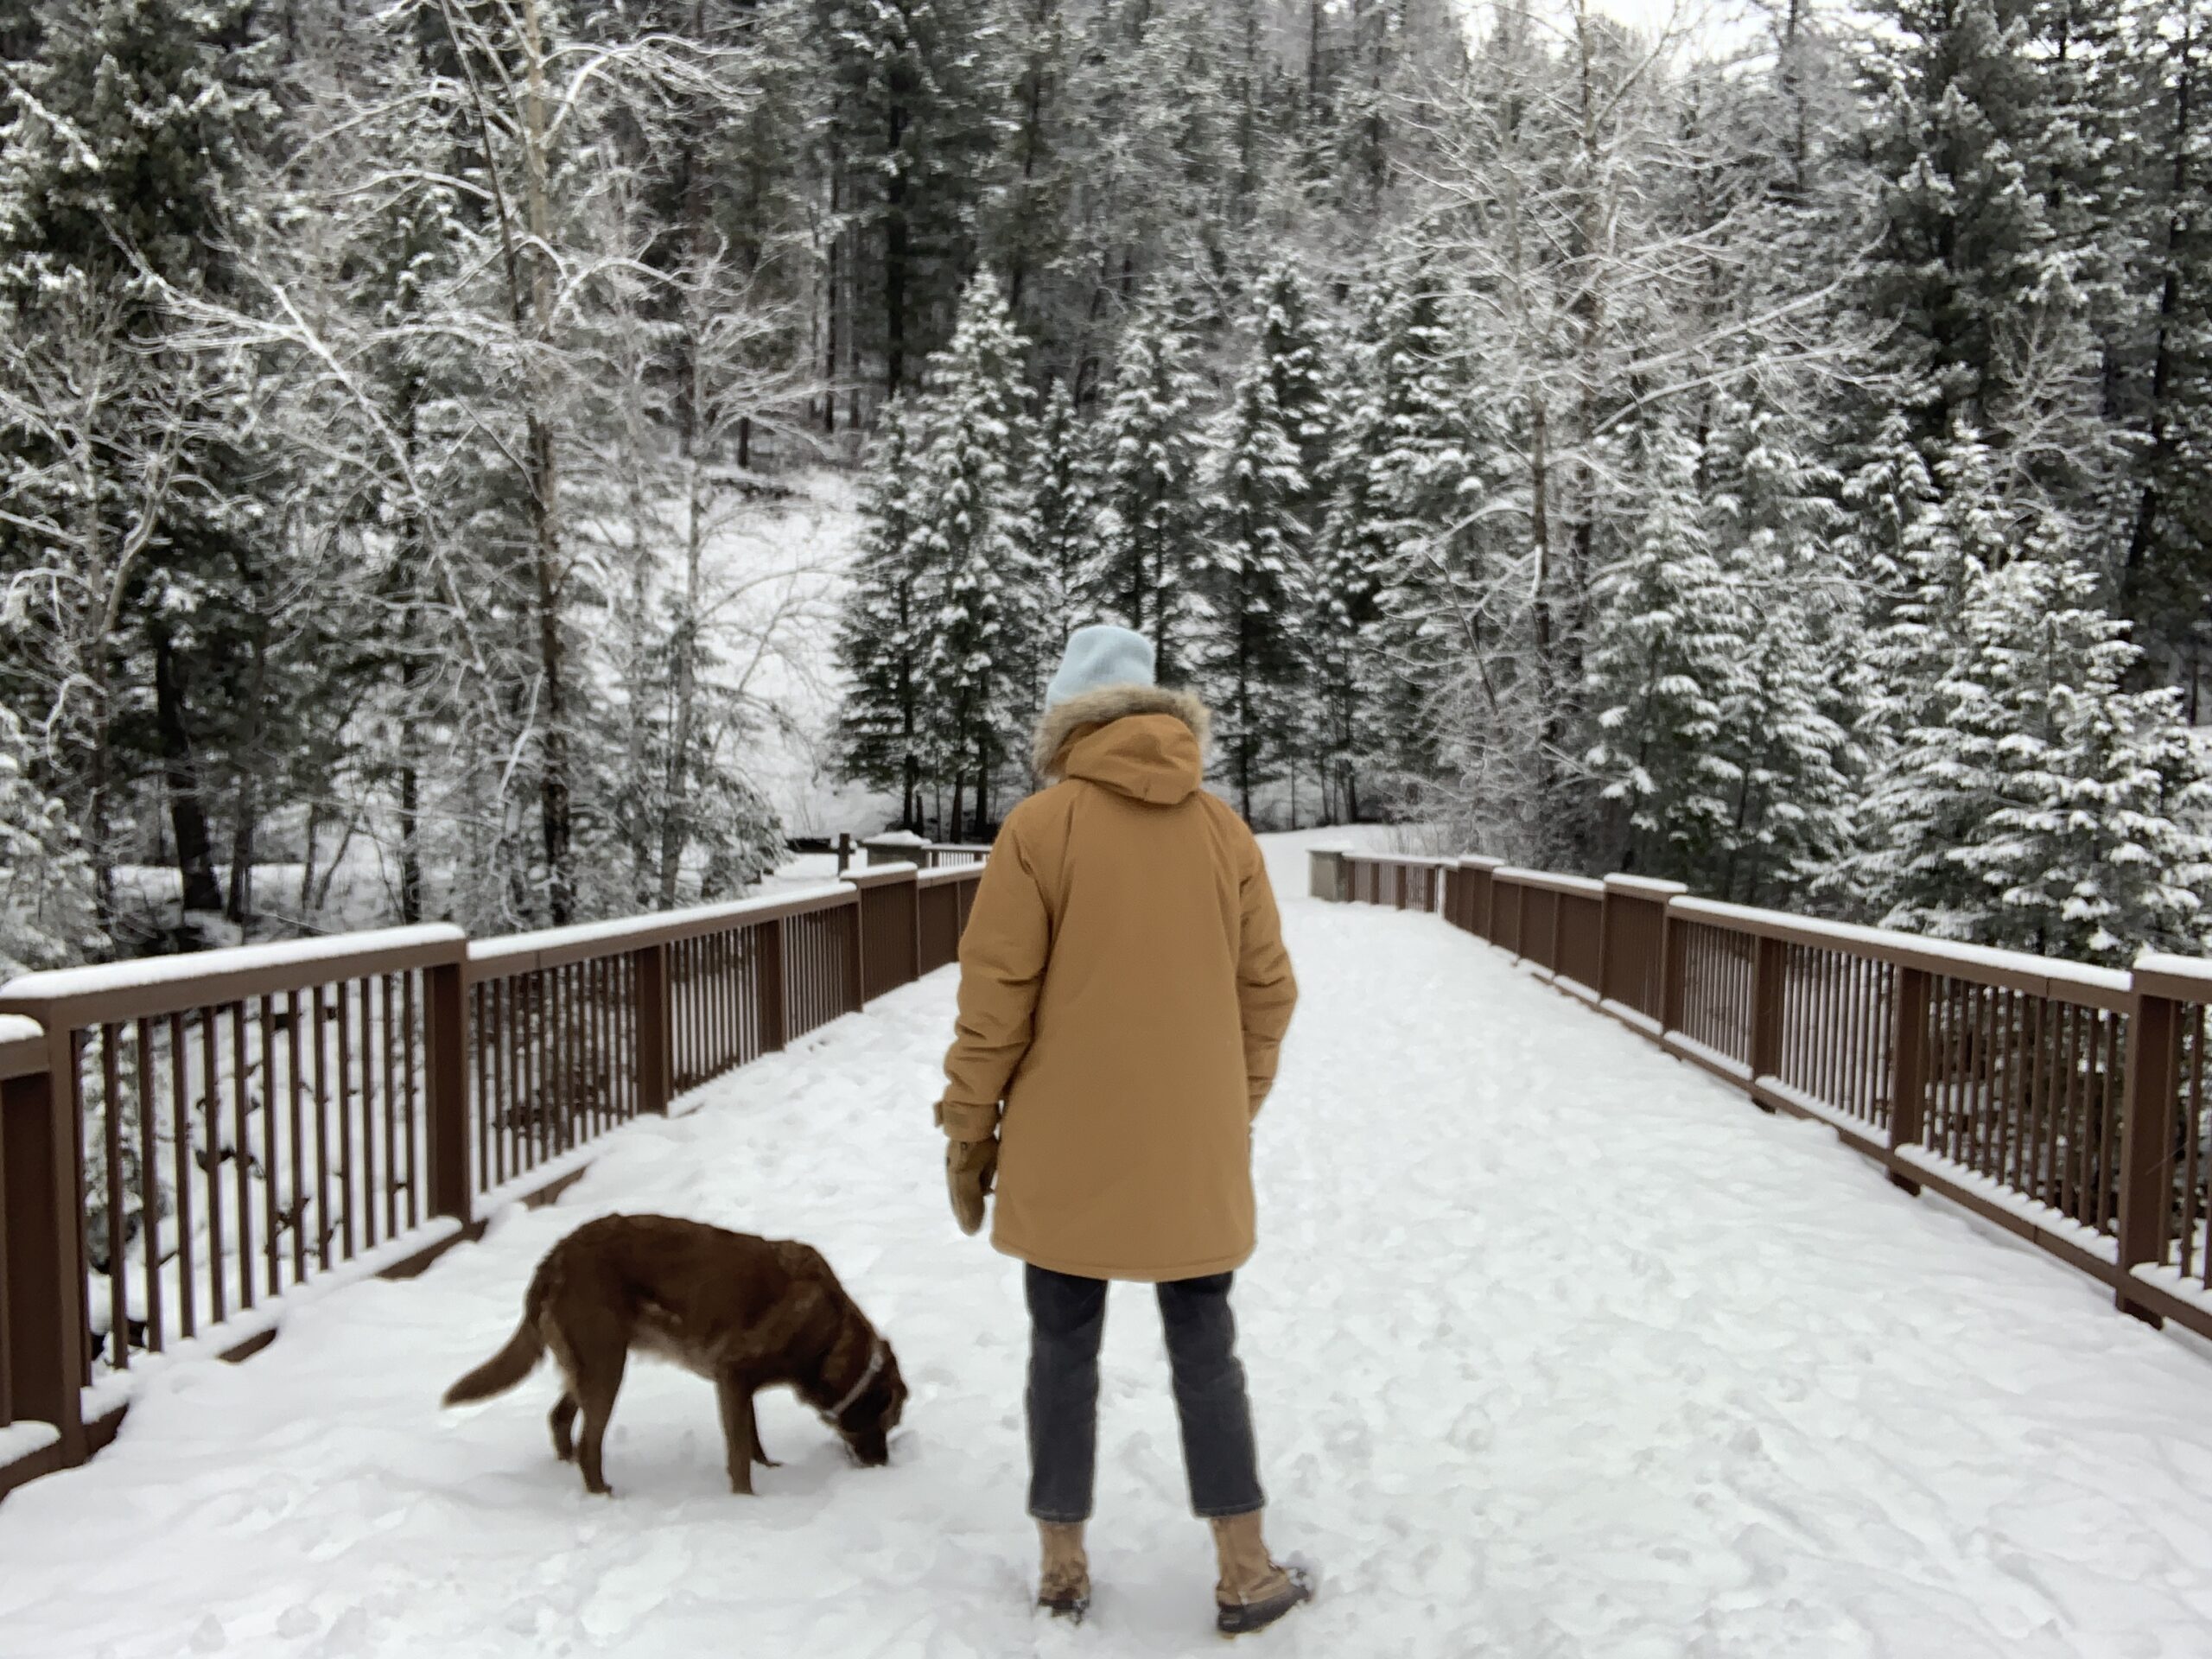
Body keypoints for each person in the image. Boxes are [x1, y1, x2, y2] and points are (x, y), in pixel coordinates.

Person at [933, 623, 1308, 1636]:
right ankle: (1244, 1565)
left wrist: (970, 1131)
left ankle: (1061, 1562)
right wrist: (1232, 1107)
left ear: (1067, 718)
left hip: (1063, 1147)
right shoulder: (1224, 832)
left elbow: (995, 1000)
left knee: (1061, 1345)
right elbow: (1267, 992)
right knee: (1205, 1346)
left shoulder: (1039, 828)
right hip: (1193, 1148)